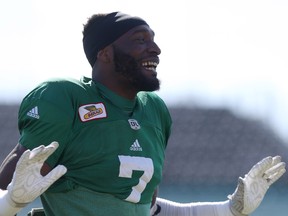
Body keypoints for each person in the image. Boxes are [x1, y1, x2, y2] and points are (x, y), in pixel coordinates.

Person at [0, 11, 286, 216]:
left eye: (153, 39)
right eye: (140, 40)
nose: (156, 49)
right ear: (106, 53)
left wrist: (229, 209)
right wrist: (11, 202)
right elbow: (11, 188)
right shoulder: (65, 98)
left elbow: (148, 209)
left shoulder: (154, 111)